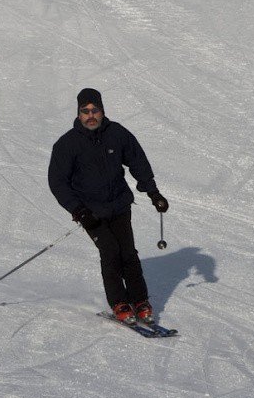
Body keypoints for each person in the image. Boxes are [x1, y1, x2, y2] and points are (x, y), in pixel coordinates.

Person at [48, 88, 169, 324]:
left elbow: (138, 162)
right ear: (78, 113)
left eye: (95, 110)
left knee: (128, 253)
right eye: (85, 111)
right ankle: (119, 302)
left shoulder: (118, 134)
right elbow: (58, 182)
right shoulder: (67, 144)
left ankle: (140, 300)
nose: (90, 115)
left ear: (102, 111)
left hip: (119, 206)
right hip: (91, 212)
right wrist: (78, 210)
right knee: (110, 252)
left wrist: (153, 193)